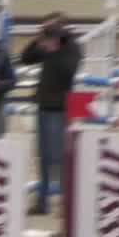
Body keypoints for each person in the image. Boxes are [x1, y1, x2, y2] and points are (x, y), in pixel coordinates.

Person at [18, 13, 80, 215]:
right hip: (43, 106)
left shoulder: (72, 46)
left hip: (60, 108)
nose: (49, 33)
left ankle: (64, 202)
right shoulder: (47, 44)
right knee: (43, 156)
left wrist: (55, 50)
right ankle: (42, 201)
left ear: (63, 28)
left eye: (52, 28)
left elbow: (69, 72)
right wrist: (38, 40)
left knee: (59, 157)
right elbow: (25, 59)